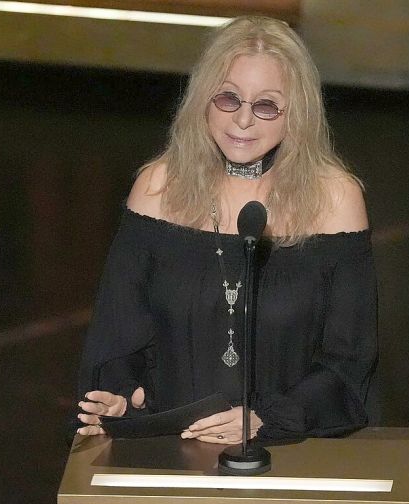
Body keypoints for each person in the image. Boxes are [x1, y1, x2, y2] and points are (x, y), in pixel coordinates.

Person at [73, 16, 376, 444]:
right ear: (203, 101)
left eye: (266, 105)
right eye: (229, 99)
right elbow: (119, 337)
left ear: (299, 114)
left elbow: (349, 362)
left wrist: (264, 419)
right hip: (172, 451)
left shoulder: (336, 200)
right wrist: (123, 398)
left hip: (291, 452)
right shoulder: (157, 188)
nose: (243, 121)